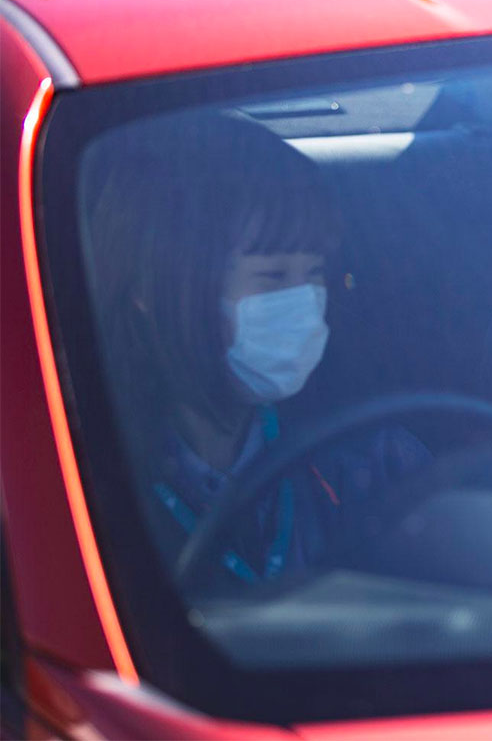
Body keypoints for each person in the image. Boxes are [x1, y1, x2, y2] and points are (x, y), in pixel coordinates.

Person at [86, 112, 427, 585]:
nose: (304, 303)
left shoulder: (370, 462)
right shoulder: (87, 479)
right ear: (151, 286)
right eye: (272, 276)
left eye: (314, 273)